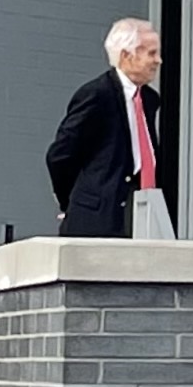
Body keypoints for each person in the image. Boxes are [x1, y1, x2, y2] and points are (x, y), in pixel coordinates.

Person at [45, 16, 165, 238]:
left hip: (139, 210)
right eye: (151, 53)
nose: (158, 61)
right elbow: (61, 155)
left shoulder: (149, 99)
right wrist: (73, 202)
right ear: (126, 56)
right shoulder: (97, 95)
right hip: (98, 217)